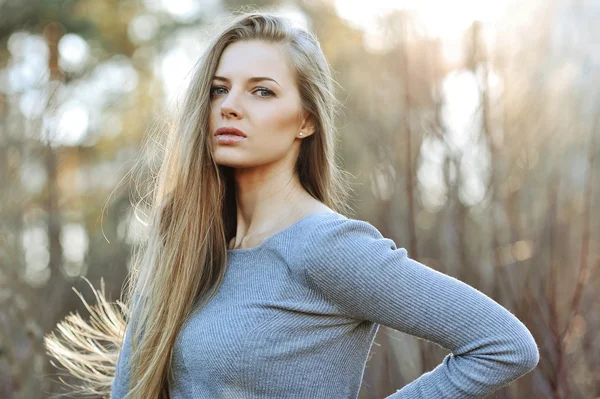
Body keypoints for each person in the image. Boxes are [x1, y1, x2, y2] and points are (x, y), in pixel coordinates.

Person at [44, 10, 539, 399]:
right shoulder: (185, 242)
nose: (230, 106)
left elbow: (503, 345)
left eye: (262, 91)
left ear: (306, 121)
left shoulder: (326, 247)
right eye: (219, 89)